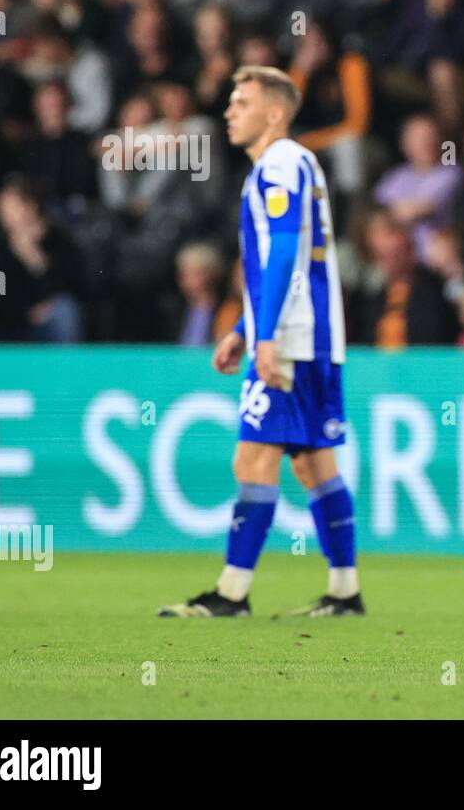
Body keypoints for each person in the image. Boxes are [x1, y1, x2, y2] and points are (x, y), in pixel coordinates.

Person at [158, 66, 361, 619]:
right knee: (313, 464)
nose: (229, 111)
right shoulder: (288, 165)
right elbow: (288, 259)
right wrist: (245, 329)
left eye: (242, 101)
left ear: (274, 113)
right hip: (311, 337)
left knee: (253, 458)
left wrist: (264, 336)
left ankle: (231, 593)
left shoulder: (281, 163)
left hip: (292, 340)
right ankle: (345, 591)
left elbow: (287, 250)